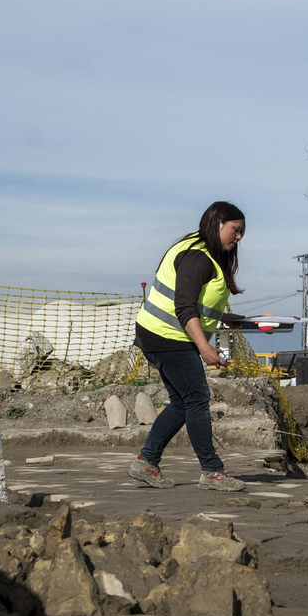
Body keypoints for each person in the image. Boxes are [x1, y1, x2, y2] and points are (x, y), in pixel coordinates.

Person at [127, 201, 249, 492]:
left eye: (242, 232)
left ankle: (146, 462)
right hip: (167, 336)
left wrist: (223, 317)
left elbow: (193, 302)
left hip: (159, 334)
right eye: (235, 230)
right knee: (196, 398)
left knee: (183, 403)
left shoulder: (198, 247)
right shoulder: (198, 257)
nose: (239, 237)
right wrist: (205, 349)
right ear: (218, 223)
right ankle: (211, 470)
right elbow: (184, 308)